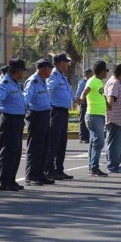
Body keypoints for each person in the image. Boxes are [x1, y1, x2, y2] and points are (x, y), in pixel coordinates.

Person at [0, 58, 27, 191]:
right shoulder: (5, 83)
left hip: (17, 120)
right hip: (8, 120)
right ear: (17, 71)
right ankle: (4, 181)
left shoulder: (15, 82)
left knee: (16, 151)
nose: (23, 74)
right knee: (7, 151)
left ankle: (11, 179)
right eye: (22, 71)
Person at [23, 59, 55, 186]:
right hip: (35, 116)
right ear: (43, 69)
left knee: (44, 147)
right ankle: (31, 176)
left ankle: (40, 174)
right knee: (35, 147)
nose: (51, 71)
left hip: (45, 115)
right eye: (50, 68)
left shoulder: (43, 81)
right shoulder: (33, 81)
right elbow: (26, 99)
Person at [45, 53, 76, 181]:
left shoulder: (62, 76)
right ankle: (50, 170)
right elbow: (48, 89)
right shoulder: (54, 75)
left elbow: (68, 91)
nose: (67, 64)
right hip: (56, 112)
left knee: (62, 142)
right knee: (54, 142)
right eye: (65, 62)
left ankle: (59, 169)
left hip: (63, 112)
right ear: (59, 63)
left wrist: (75, 99)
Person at [80, 60, 109, 176]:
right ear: (102, 72)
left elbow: (101, 96)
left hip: (99, 115)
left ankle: (92, 167)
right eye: (106, 71)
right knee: (99, 141)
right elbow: (85, 91)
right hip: (93, 115)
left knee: (93, 141)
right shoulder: (92, 81)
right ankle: (94, 167)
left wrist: (108, 105)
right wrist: (82, 99)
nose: (106, 73)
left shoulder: (99, 82)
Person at [104, 63, 121, 173]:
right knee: (114, 144)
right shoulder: (114, 83)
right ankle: (112, 166)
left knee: (117, 145)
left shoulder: (118, 83)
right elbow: (110, 101)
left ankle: (115, 165)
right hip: (115, 120)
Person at [76, 68, 93, 143]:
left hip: (89, 103)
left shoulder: (89, 81)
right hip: (84, 103)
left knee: (87, 120)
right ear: (87, 74)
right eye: (91, 74)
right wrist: (79, 102)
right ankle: (83, 137)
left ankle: (87, 136)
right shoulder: (83, 82)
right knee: (83, 121)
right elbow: (78, 92)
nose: (92, 75)